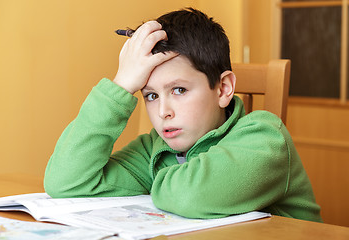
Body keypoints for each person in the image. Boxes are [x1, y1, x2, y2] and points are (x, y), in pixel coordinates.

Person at [44, 8, 322, 222]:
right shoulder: (154, 149)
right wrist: (121, 84)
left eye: (179, 90)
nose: (163, 111)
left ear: (223, 88)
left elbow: (189, 195)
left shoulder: (264, 137)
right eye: (151, 95)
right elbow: (66, 182)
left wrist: (153, 183)